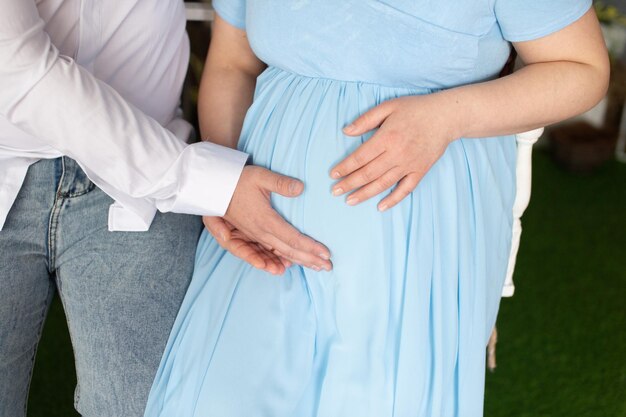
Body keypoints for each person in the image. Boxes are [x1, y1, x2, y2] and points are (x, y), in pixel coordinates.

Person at [144, 0, 609, 416]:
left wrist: (449, 116)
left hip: (417, 225)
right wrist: (225, 185)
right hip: (256, 225)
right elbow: (232, 63)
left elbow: (581, 68)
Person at [0, 0, 332, 416]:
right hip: (123, 166)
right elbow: (17, 67)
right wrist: (208, 184)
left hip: (151, 169)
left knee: (152, 404)